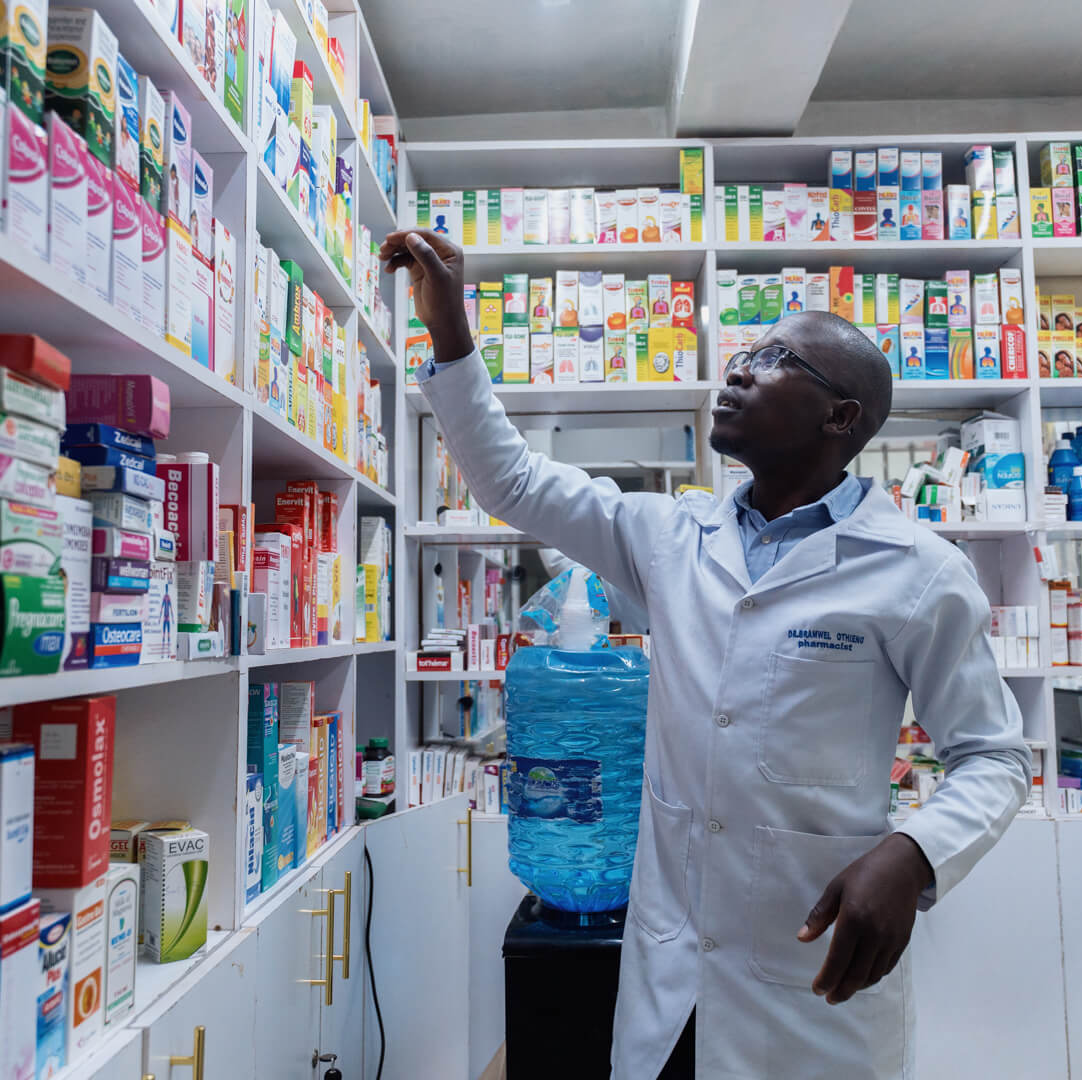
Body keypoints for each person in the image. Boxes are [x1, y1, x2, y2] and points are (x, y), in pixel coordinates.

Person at [382, 229, 1030, 1080]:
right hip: (669, 976)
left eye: (776, 360)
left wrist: (913, 857)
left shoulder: (916, 571)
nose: (738, 370)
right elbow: (513, 481)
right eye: (746, 353)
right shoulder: (670, 535)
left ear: (841, 418)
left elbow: (995, 755)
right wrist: (451, 330)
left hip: (808, 989)